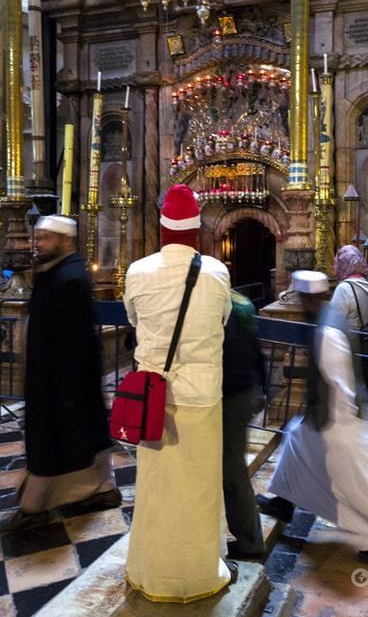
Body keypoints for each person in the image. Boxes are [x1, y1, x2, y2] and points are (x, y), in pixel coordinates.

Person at [124, 185, 235, 602]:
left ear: (162, 226)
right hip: (202, 396)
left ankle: (148, 571)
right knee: (199, 490)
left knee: (155, 489)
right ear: (197, 229)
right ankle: (198, 574)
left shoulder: (138, 271)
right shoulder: (217, 272)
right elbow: (222, 319)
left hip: (153, 396)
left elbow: (133, 318)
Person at [257, 270, 368, 566]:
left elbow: (340, 380)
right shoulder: (329, 316)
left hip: (341, 419)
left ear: (307, 299)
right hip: (327, 415)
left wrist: (338, 420)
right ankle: (284, 500)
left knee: (357, 481)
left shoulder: (327, 330)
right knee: (295, 440)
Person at [6, 215, 119, 532]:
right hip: (52, 378)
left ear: (65, 240)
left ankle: (35, 506)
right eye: (37, 237)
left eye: (45, 238)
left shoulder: (70, 278)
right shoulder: (53, 272)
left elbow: (75, 339)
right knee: (77, 440)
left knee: (55, 443)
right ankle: (100, 490)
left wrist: (66, 388)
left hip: (61, 382)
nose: (37, 243)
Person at [223, 290, 266, 560]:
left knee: (232, 471)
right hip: (243, 391)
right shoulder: (242, 302)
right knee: (230, 469)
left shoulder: (223, 306)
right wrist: (261, 388)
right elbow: (256, 350)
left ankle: (251, 542)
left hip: (231, 395)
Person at [331, 245, 368, 331]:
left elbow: (333, 323)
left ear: (344, 264)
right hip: (364, 340)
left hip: (347, 340)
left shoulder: (343, 289)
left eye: (336, 263)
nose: (334, 267)